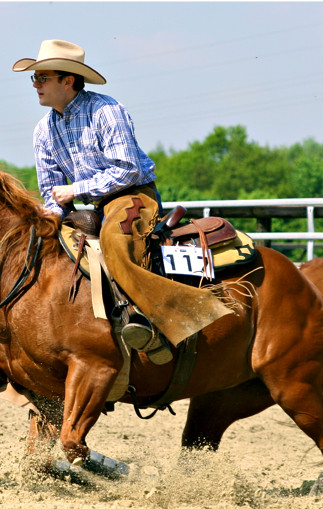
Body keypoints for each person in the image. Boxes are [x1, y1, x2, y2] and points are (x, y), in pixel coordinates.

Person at [13, 39, 232, 365]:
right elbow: (52, 193)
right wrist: (43, 220)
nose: (35, 85)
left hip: (132, 196)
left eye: (42, 77)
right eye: (34, 78)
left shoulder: (106, 110)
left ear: (68, 81)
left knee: (115, 242)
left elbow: (128, 170)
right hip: (90, 204)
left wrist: (76, 190)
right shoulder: (43, 130)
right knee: (34, 249)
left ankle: (157, 322)